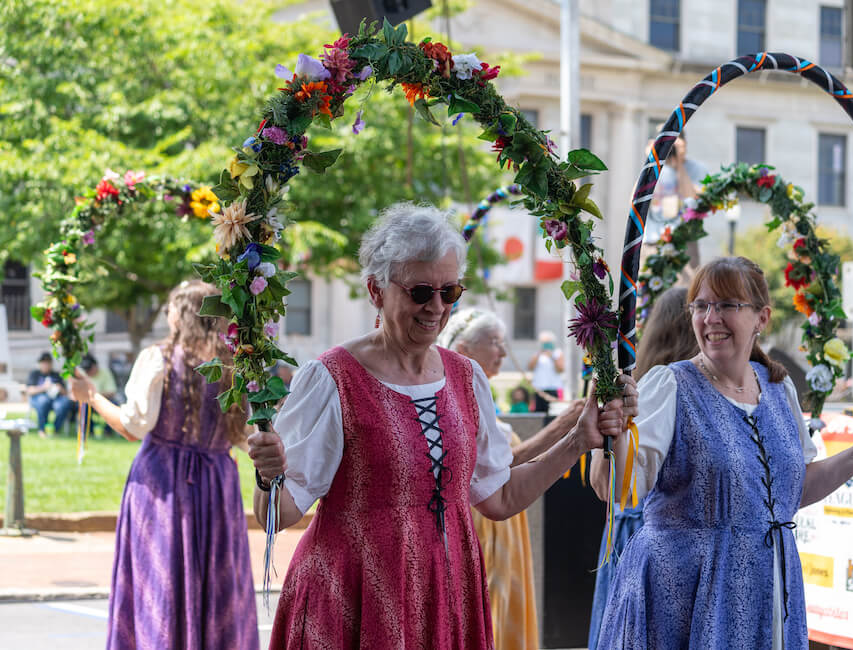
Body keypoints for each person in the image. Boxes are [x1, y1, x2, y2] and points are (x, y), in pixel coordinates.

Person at [247, 203, 633, 649]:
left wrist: (579, 441)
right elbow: (281, 513)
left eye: (450, 293)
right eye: (420, 292)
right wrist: (267, 474)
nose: (436, 307)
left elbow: (500, 497)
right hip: (352, 595)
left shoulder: (467, 378)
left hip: (445, 593)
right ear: (376, 290)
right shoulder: (331, 378)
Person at [593, 257, 853, 649]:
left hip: (768, 586)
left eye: (727, 305)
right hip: (683, 595)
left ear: (762, 318)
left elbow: (792, 492)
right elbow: (620, 489)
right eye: (701, 306)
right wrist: (614, 433)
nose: (711, 318)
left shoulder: (778, 388)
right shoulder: (670, 385)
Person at [69, 281, 257, 649]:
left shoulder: (159, 357)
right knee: (215, 579)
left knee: (162, 578)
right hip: (217, 484)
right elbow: (244, 438)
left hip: (164, 485)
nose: (167, 312)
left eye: (172, 305)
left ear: (182, 313)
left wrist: (91, 396)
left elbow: (132, 426)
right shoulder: (235, 364)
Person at [440, 308, 585, 650]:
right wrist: (565, 428)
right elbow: (495, 472)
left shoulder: (481, 396)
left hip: (506, 524)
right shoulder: (454, 400)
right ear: (463, 349)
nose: (503, 353)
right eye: (494, 343)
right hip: (485, 522)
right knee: (491, 611)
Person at [587, 286, 699, 648]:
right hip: (653, 534)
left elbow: (597, 479)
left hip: (621, 528)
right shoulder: (666, 386)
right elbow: (606, 481)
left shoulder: (637, 382)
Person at [25, 351, 73, 434]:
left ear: (51, 363)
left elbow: (66, 393)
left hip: (55, 399)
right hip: (39, 398)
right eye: (43, 362)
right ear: (40, 363)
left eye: (48, 362)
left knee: (64, 403)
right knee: (43, 401)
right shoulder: (35, 374)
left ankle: (54, 429)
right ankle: (42, 430)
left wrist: (59, 388)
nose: (46, 365)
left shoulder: (56, 375)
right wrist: (44, 387)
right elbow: (29, 391)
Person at [527, 330, 564, 414]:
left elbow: (560, 369)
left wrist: (551, 356)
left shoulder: (557, 353)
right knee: (538, 413)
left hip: (553, 388)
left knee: (553, 414)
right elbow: (530, 367)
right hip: (539, 389)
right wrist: (539, 354)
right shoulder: (537, 354)